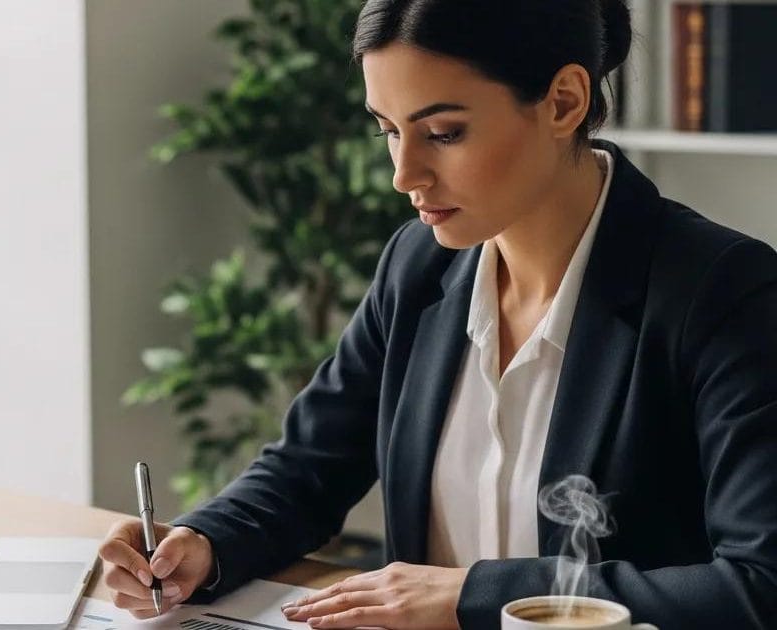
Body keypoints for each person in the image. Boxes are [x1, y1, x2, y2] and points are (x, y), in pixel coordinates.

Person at [98, 0, 777, 628]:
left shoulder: (724, 295)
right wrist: (203, 542)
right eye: (389, 130)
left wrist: (472, 595)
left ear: (563, 101)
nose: (404, 173)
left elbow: (758, 586)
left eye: (444, 132)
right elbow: (309, 467)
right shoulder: (420, 266)